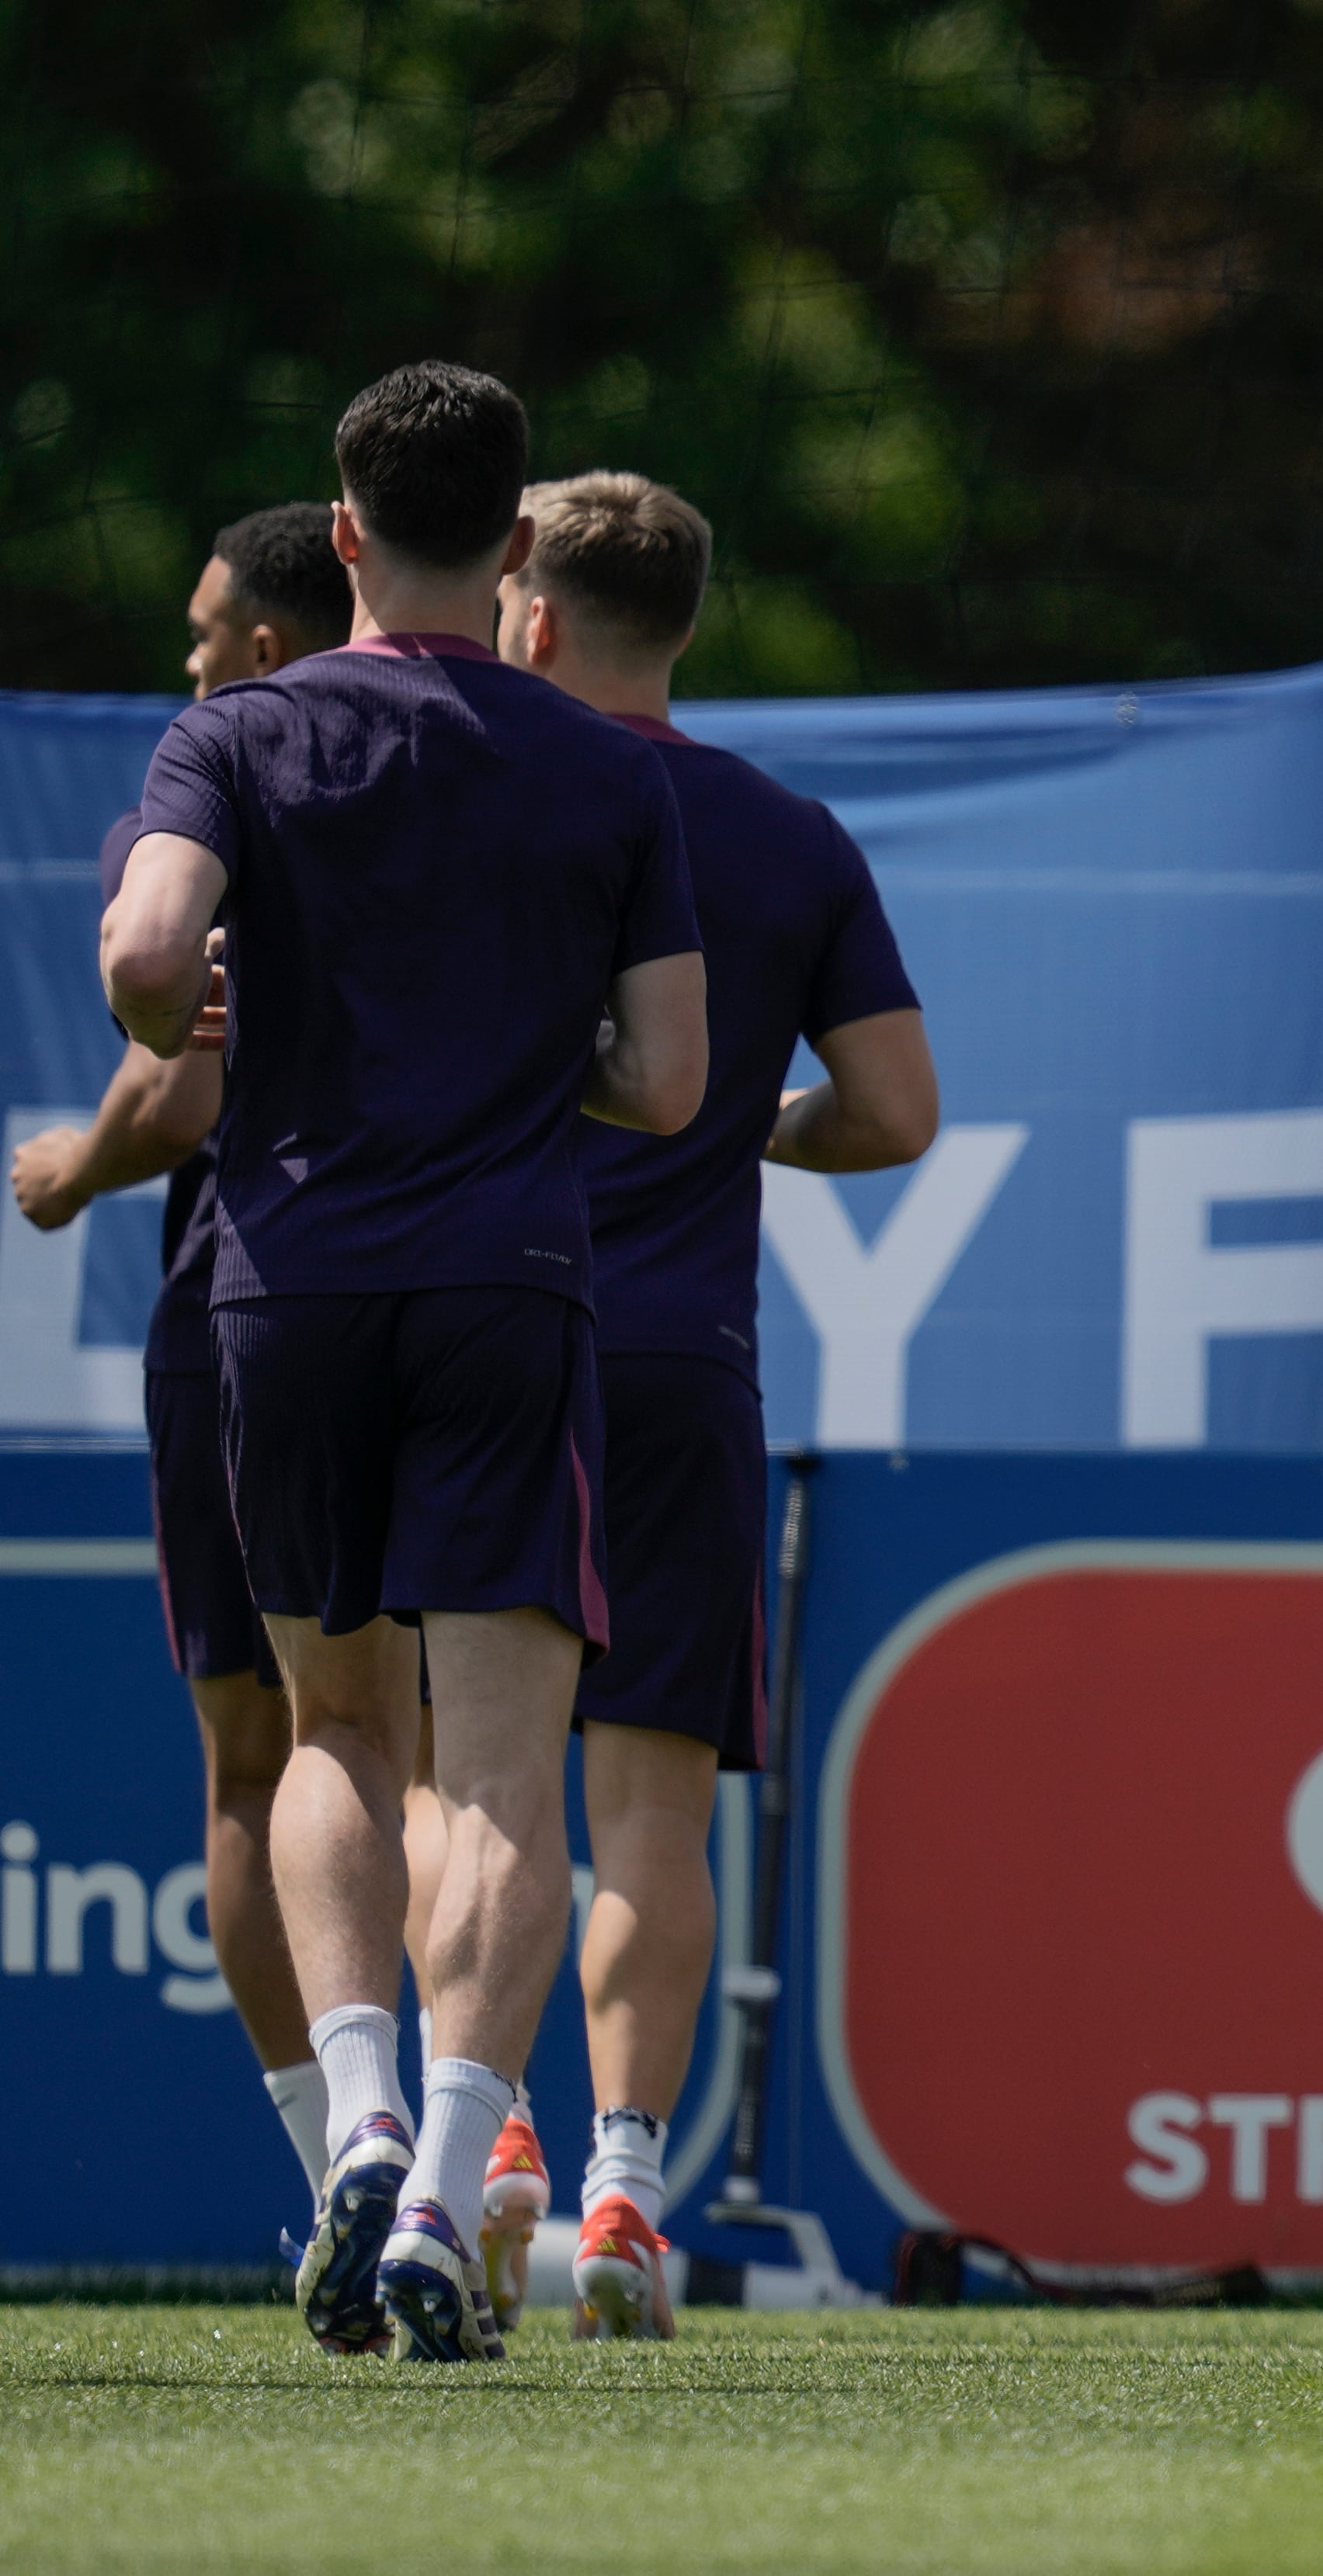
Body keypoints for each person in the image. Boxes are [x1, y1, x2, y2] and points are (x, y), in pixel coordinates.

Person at [99, 362, 709, 2363]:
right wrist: (532, 1059)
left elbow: (144, 956)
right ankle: (450, 2185)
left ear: (340, 534)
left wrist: (207, 998)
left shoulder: (244, 730)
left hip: (287, 1286)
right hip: (508, 1281)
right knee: (512, 1772)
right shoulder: (613, 772)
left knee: (334, 1732)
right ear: (518, 546)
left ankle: (353, 2121)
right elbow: (674, 1079)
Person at [495, 470, 934, 2339]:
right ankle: (620, 2192)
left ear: (528, 609)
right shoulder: (785, 832)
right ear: (687, 618)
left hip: (475, 1337)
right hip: (679, 1355)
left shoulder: (474, 797)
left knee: (473, 1778)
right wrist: (743, 1124)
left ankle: (485, 2138)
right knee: (648, 1817)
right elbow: (899, 1112)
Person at [11, 503, 356, 2232]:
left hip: (267, 1292)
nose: (192, 661)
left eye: (209, 630)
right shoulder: (502, 763)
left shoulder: (217, 781)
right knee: (461, 1761)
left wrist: (71, 1167)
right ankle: (479, 2138)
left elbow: (189, 1074)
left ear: (269, 647)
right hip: (490, 1295)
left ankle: (345, 2159)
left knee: (266, 1759)